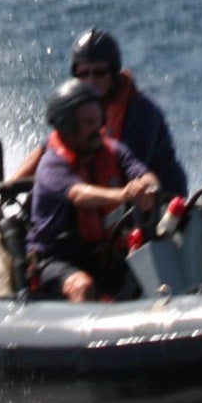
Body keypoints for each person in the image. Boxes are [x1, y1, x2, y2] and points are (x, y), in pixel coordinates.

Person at [10, 29, 188, 199]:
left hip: (157, 204)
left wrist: (62, 182)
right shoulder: (78, 107)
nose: (91, 81)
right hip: (104, 196)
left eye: (99, 73)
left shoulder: (142, 113)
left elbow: (126, 170)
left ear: (113, 73)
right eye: (84, 74)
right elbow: (49, 147)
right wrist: (12, 186)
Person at [27, 78, 160, 302]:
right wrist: (124, 194)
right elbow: (79, 194)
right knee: (83, 286)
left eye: (99, 121)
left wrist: (149, 188)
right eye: (88, 123)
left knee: (152, 269)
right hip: (54, 260)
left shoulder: (113, 151)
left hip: (101, 256)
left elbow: (145, 174)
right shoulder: (52, 164)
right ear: (68, 127)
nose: (97, 129)